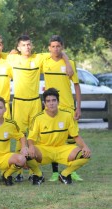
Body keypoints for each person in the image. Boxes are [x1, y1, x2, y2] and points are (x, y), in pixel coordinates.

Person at [7, 35, 73, 182]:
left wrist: (68, 63)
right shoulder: (12, 58)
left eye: (29, 44)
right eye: (23, 45)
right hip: (19, 102)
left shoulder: (39, 58)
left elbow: (58, 52)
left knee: (34, 136)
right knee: (19, 136)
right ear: (18, 48)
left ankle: (33, 171)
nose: (27, 47)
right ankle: (18, 172)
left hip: (35, 102)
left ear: (32, 46)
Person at [27, 88, 91, 184]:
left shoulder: (67, 115)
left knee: (85, 155)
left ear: (58, 102)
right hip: (44, 150)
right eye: (48, 101)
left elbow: (75, 136)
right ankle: (38, 175)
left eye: (54, 100)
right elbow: (31, 138)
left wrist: (84, 146)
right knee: (26, 154)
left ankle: (65, 174)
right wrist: (31, 146)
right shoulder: (38, 118)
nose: (51, 103)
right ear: (44, 103)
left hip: (62, 149)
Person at [42, 35, 83, 182]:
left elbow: (77, 87)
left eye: (58, 46)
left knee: (72, 139)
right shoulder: (44, 62)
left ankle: (71, 171)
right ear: (49, 48)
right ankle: (54, 172)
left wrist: (78, 107)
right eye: (52, 46)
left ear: (62, 47)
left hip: (68, 107)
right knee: (55, 140)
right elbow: (28, 57)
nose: (55, 49)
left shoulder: (70, 63)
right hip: (51, 107)